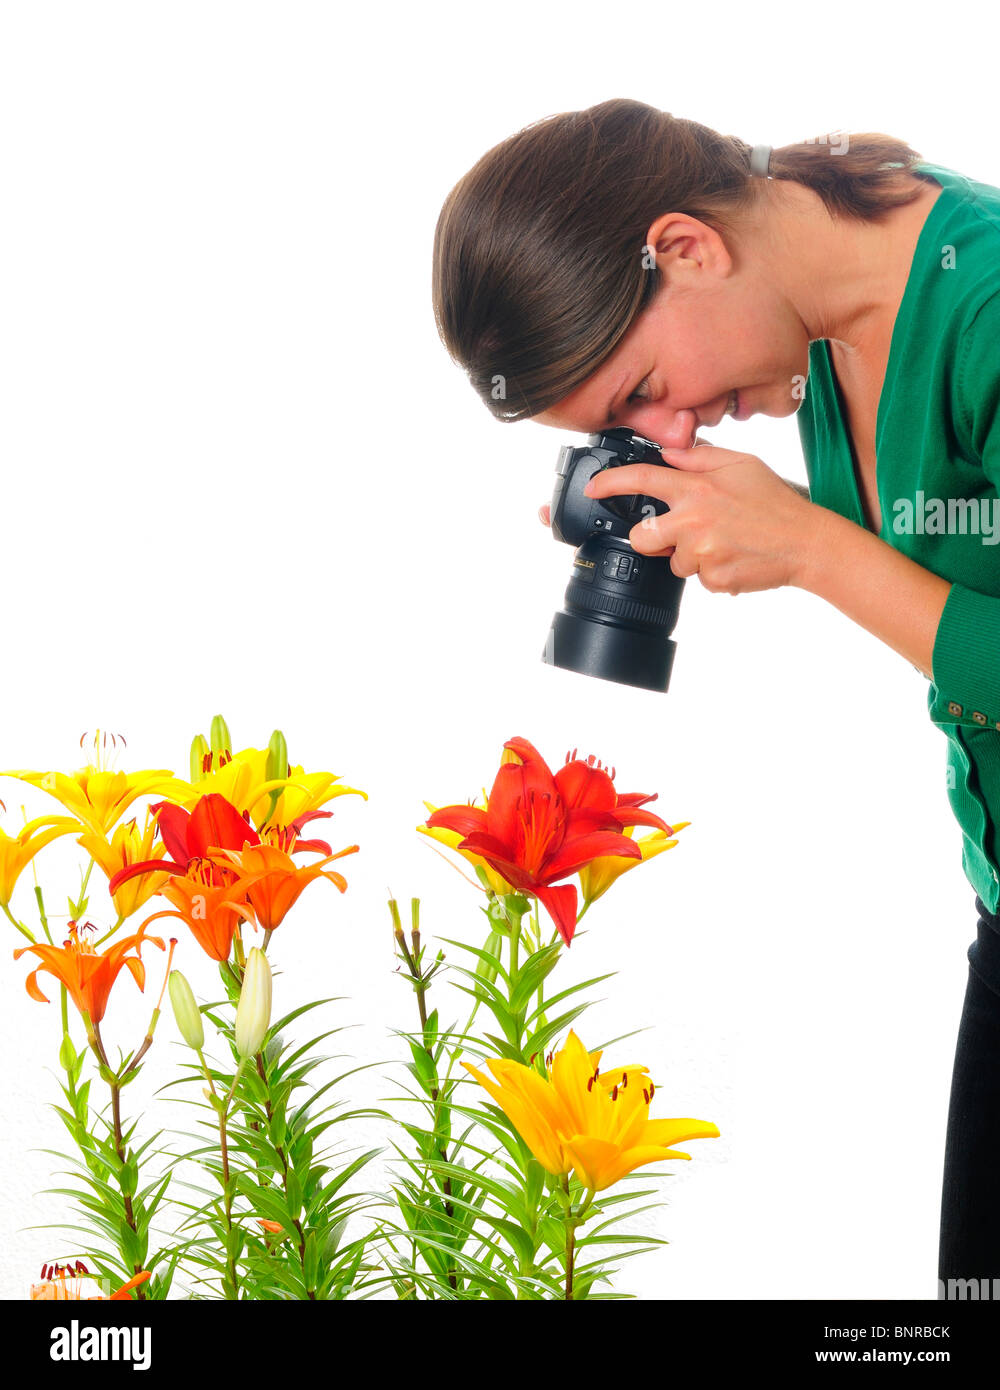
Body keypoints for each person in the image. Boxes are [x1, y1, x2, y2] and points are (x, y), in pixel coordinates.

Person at [431, 98, 1000, 1296]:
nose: (670, 429)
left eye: (642, 389)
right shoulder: (834, 312)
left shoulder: (983, 305)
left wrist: (812, 548)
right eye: (618, 435)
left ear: (688, 246)